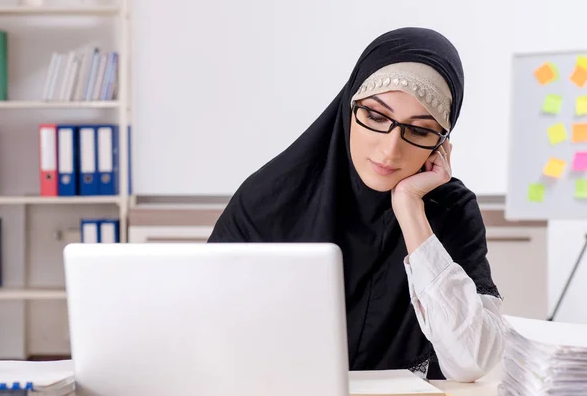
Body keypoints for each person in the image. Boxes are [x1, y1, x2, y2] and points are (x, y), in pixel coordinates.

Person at [207, 27, 505, 382]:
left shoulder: (451, 210)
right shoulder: (269, 199)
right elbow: (210, 332)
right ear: (350, 107)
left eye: (420, 131)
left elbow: (470, 361)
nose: (390, 149)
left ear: (441, 143)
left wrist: (411, 210)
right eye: (377, 117)